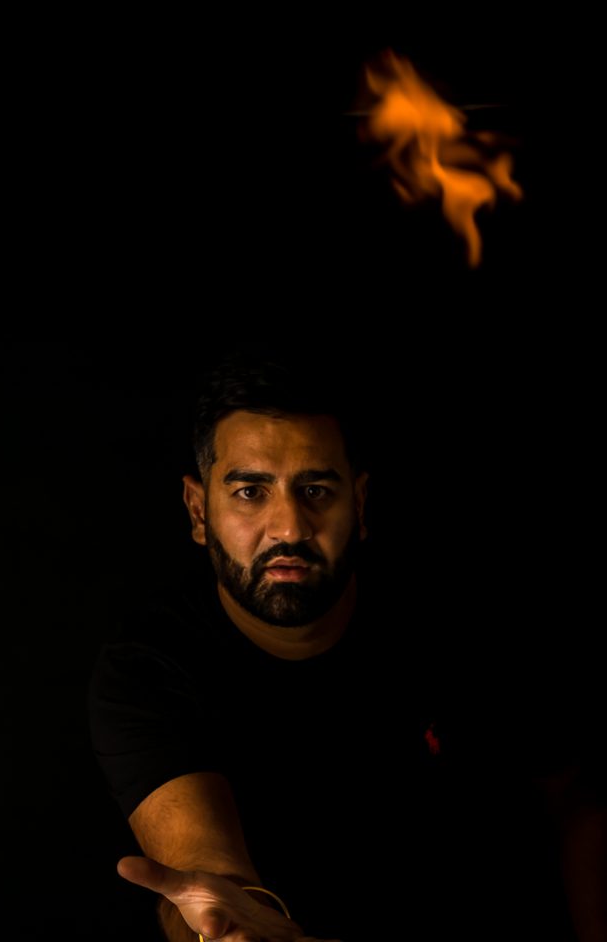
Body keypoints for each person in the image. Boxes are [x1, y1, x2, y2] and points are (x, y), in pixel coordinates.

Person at [89, 345, 606, 942]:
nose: (289, 527)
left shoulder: (465, 628)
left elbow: (577, 802)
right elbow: (203, 870)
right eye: (251, 491)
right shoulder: (150, 671)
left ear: (358, 505)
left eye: (315, 489)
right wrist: (228, 921)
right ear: (199, 510)